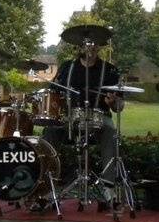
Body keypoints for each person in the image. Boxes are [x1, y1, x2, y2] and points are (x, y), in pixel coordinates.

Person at [42, 41, 122, 209]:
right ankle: (46, 188)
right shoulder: (66, 67)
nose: (90, 47)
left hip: (99, 116)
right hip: (69, 116)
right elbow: (53, 93)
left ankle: (108, 188)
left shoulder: (110, 70)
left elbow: (119, 106)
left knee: (111, 131)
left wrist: (113, 102)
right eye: (85, 44)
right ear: (78, 46)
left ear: (99, 47)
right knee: (49, 131)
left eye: (94, 44)